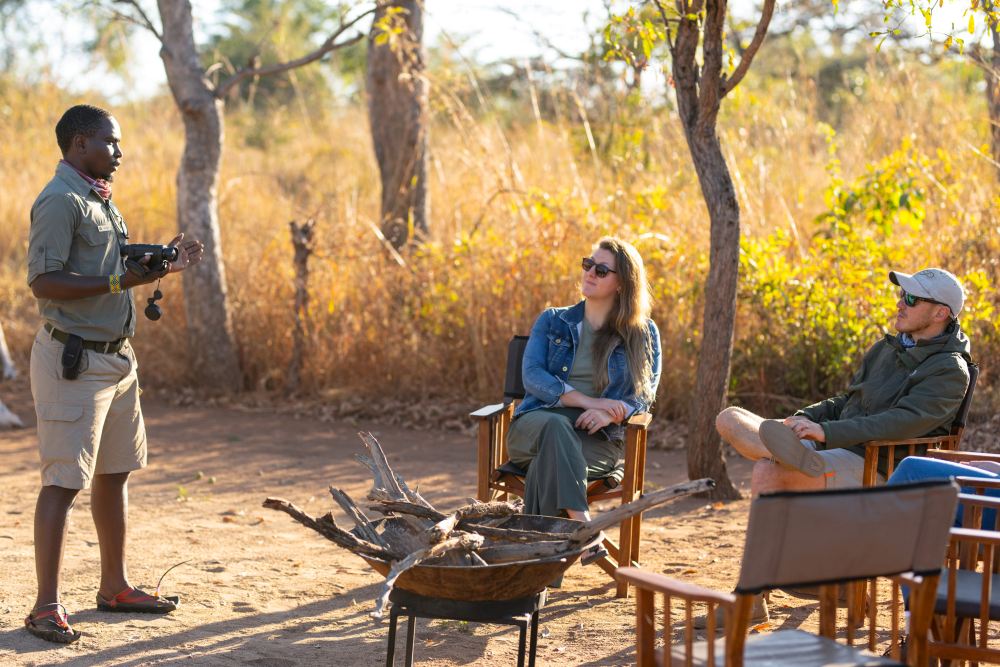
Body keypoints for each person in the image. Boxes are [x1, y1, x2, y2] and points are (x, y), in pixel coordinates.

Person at [24, 104, 204, 643]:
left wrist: (157, 263)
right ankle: (44, 607)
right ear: (80, 144)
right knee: (63, 481)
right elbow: (44, 281)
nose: (119, 153)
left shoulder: (96, 196)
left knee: (114, 472)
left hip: (117, 359)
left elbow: (107, 268)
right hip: (73, 360)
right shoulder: (60, 200)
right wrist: (115, 284)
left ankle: (114, 587)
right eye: (111, 143)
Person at [717, 268, 972, 496]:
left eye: (911, 299)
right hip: (837, 445)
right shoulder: (886, 349)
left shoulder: (949, 369)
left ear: (941, 312)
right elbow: (848, 401)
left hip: (877, 463)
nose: (900, 303)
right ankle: (793, 452)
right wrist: (803, 418)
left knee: (768, 471)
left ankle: (795, 461)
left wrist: (827, 432)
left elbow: (900, 423)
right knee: (730, 417)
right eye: (903, 294)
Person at [506, 237, 661, 558]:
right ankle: (583, 526)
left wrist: (611, 414)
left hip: (596, 439)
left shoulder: (642, 333)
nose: (590, 273)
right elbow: (532, 376)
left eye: (602, 270)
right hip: (535, 427)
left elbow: (644, 394)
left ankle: (538, 571)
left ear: (622, 284)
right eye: (587, 264)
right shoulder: (553, 320)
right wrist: (590, 403)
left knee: (544, 468)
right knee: (554, 430)